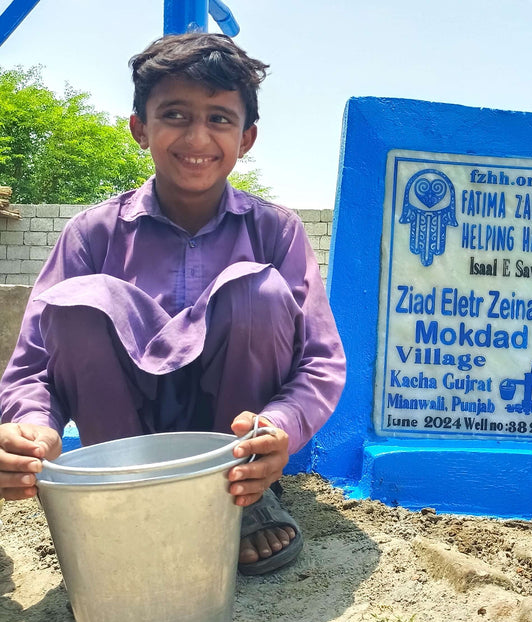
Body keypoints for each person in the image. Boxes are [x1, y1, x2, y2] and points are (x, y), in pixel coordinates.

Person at [0, 32, 346, 575]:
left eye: (220, 119)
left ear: (247, 137)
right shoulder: (93, 233)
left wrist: (281, 424)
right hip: (122, 442)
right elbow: (33, 364)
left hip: (228, 445)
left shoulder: (276, 231)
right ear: (141, 128)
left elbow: (320, 359)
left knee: (256, 291)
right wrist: (32, 426)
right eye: (176, 115)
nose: (198, 136)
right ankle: (124, 499)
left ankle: (242, 501)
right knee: (81, 304)